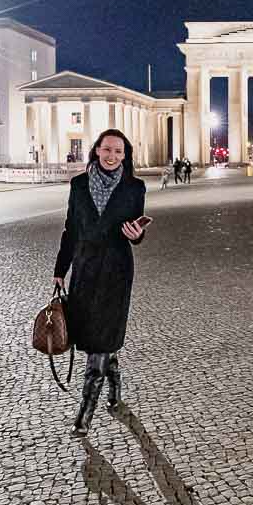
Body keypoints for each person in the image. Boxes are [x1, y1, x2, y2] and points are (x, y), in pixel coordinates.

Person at [54, 128, 149, 435]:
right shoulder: (79, 185)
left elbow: (136, 229)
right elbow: (71, 229)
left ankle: (84, 414)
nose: (112, 156)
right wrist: (60, 269)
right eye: (107, 150)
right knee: (99, 340)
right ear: (96, 150)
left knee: (99, 343)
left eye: (119, 152)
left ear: (125, 155)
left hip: (116, 273)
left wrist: (138, 236)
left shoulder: (134, 187)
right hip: (85, 270)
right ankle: (116, 387)